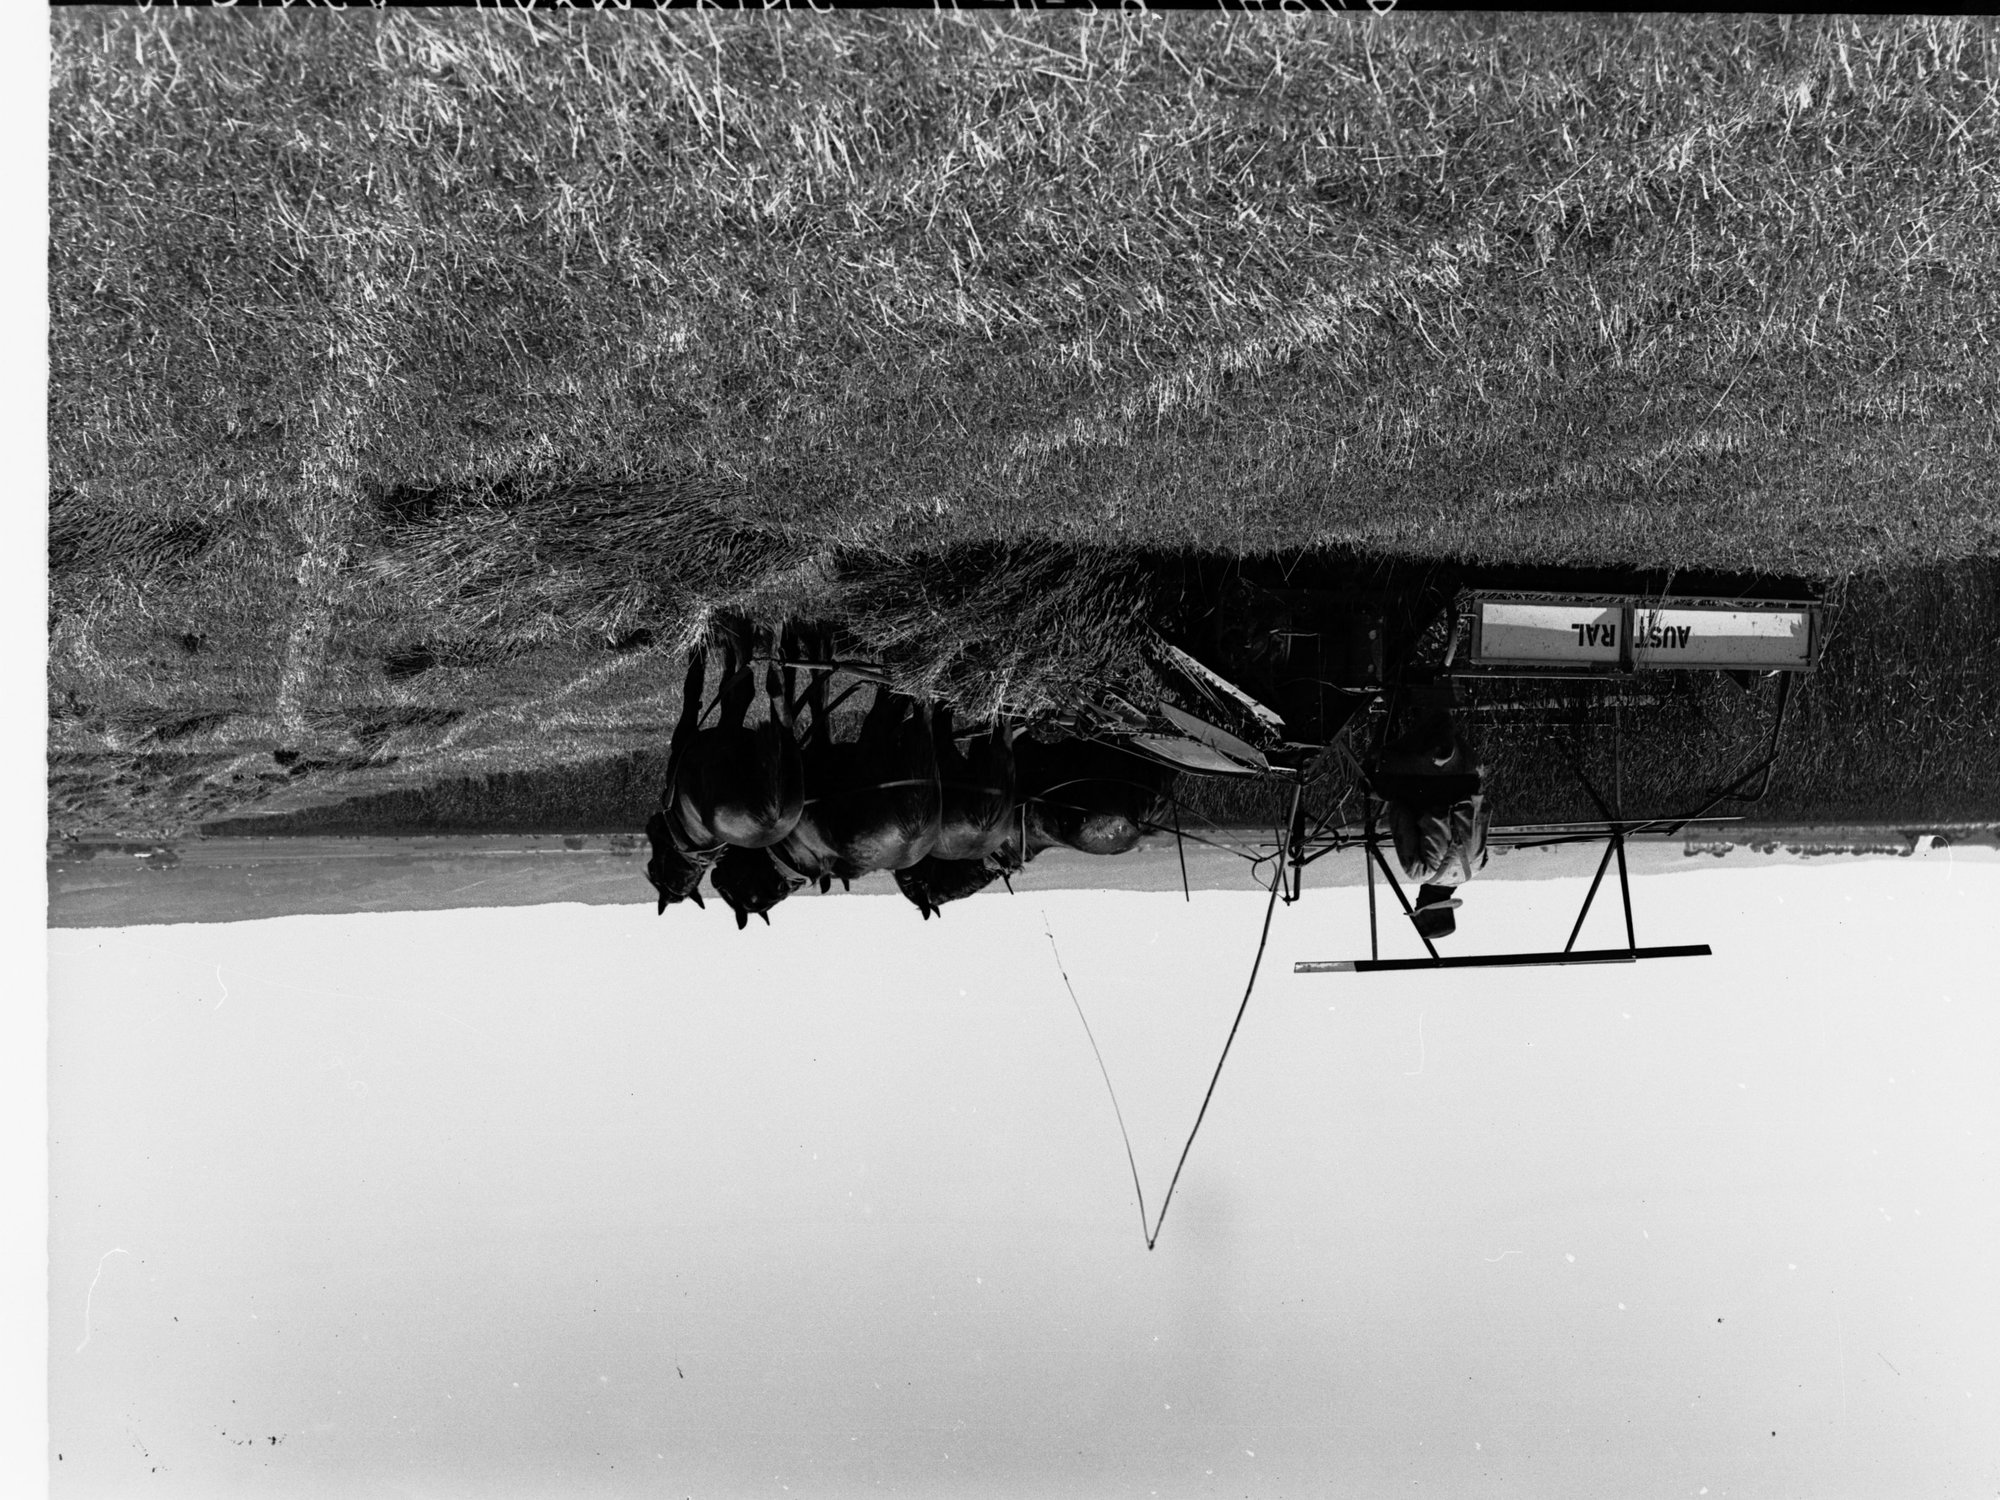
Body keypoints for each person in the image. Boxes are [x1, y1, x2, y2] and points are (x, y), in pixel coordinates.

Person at [1370, 696, 1490, 941]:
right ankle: (1387, 705)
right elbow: (1400, 813)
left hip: (1466, 769)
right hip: (1420, 774)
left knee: (1434, 718)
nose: (1416, 900)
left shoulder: (1477, 868)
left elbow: (1483, 812)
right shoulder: (1419, 873)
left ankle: (1426, 696)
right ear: (1428, 905)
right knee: (1372, 777)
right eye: (1419, 906)